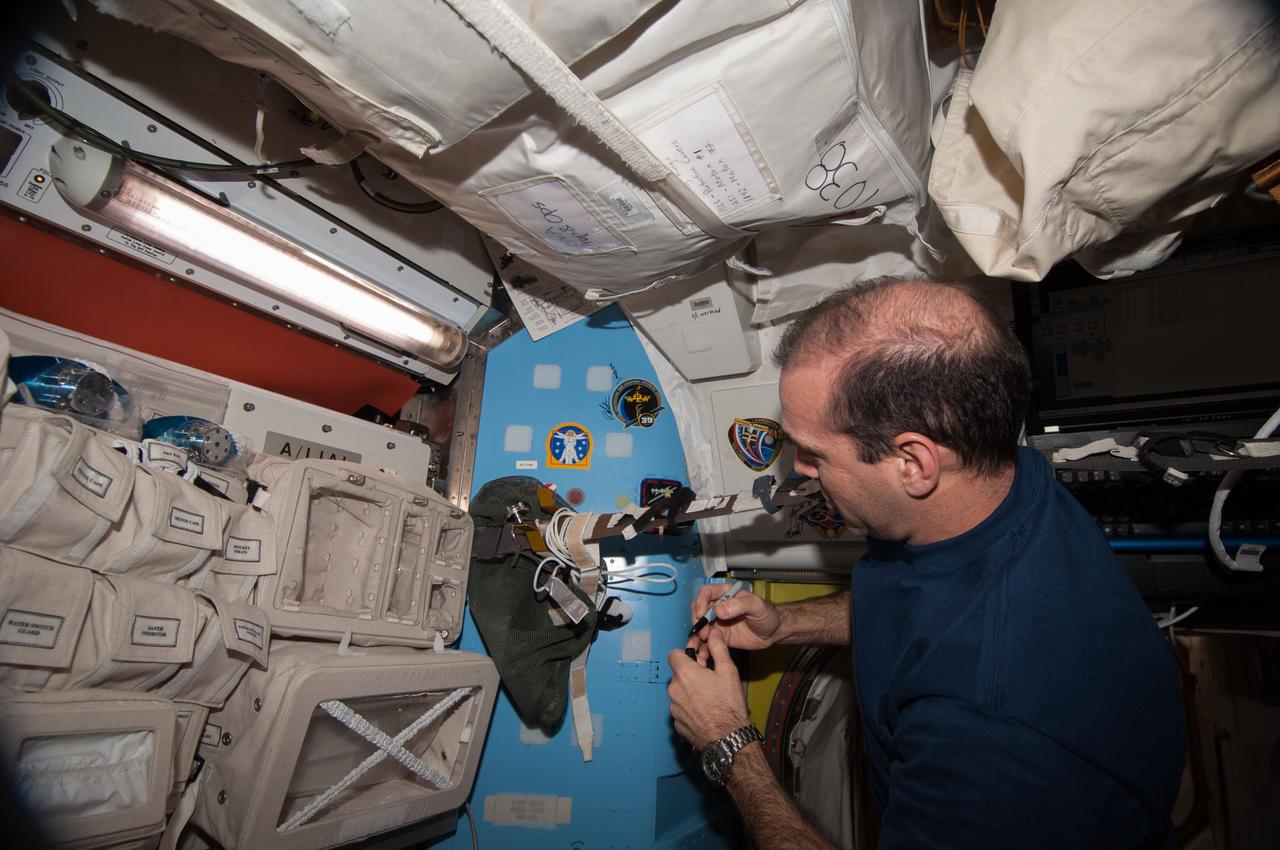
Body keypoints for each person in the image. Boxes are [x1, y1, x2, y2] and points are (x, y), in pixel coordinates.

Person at [667, 278, 1186, 849]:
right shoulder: (1007, 483)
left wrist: (730, 745)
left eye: (814, 453)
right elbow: (926, 607)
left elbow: (963, 643)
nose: (799, 469)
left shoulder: (991, 738)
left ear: (914, 463)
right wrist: (786, 624)